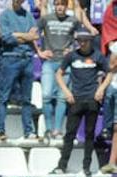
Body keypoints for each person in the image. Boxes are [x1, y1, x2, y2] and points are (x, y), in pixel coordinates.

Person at [53, 29, 110, 176]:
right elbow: (58, 74)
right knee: (69, 134)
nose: (82, 43)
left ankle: (86, 167)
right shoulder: (71, 56)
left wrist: (101, 89)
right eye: (80, 41)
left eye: (85, 41)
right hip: (76, 99)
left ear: (90, 41)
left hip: (92, 99)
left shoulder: (98, 56)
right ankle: (61, 166)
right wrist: (66, 91)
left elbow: (110, 72)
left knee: (89, 134)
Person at [0, 0, 38, 141]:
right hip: (10, 58)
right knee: (4, 97)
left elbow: (35, 36)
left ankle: (28, 131)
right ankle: (1, 130)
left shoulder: (28, 15)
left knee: (26, 99)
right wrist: (26, 36)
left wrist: (17, 35)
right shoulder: (5, 15)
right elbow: (6, 38)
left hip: (27, 58)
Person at [39, 0, 77, 143]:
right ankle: (48, 128)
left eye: (62, 4)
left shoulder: (73, 20)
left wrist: (73, 49)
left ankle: (57, 130)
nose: (60, 7)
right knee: (46, 95)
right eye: (57, 4)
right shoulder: (46, 19)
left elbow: (82, 38)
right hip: (49, 62)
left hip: (65, 64)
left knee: (62, 98)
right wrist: (39, 51)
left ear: (67, 6)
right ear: (54, 5)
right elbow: (32, 34)